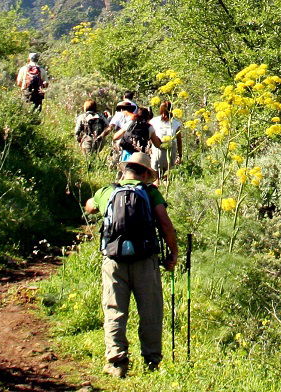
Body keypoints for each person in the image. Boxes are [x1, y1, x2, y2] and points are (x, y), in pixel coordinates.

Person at [85, 152, 179, 378]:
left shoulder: (108, 191)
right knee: (150, 311)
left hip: (114, 260)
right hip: (145, 260)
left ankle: (117, 362)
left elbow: (89, 207)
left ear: (124, 170)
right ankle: (152, 361)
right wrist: (173, 254)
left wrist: (95, 203)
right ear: (146, 173)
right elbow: (166, 225)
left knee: (115, 310)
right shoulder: (150, 193)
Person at [151, 100, 183, 178]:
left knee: (167, 172)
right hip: (158, 149)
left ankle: (164, 185)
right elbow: (150, 136)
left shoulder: (176, 123)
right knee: (156, 171)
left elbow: (179, 140)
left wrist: (180, 155)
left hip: (171, 150)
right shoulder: (154, 121)